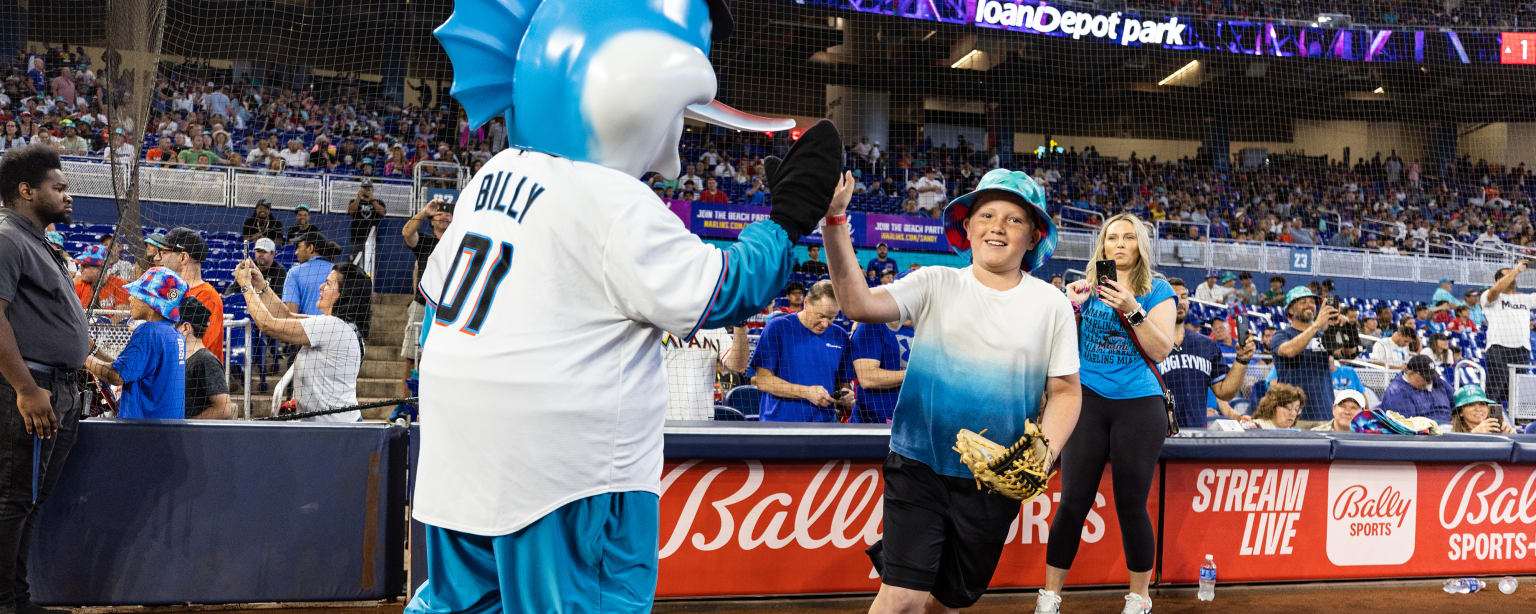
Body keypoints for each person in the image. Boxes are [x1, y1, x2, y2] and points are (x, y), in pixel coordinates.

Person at [407, 5, 841, 602]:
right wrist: (789, 217)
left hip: (456, 455)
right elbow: (727, 288)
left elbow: (434, 295)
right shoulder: (612, 200)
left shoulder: (494, 171)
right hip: (561, 475)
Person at [821, 168, 1080, 613]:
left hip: (995, 482)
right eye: (987, 215)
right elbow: (857, 304)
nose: (997, 226)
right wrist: (834, 221)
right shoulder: (935, 282)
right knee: (902, 595)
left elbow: (1066, 392)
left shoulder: (1051, 304)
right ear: (968, 226)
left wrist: (1045, 452)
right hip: (919, 464)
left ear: (1034, 235)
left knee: (946, 603)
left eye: (1014, 219)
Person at [1045, 212, 1172, 614]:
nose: (1119, 244)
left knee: (1131, 504)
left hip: (1139, 402)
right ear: (1101, 245)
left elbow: (1161, 349)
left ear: (1140, 246)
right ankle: (1049, 598)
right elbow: (1059, 347)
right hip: (1087, 399)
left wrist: (1133, 307)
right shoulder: (1083, 288)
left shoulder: (1158, 289)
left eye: (1128, 237)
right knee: (1072, 502)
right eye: (1112, 237)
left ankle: (1139, 598)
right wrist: (1073, 307)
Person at [0, 145, 89, 613]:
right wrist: (25, 388)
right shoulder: (7, 238)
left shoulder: (35, 239)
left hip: (59, 388)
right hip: (33, 389)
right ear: (26, 191)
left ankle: (18, 599)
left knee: (29, 500)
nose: (68, 196)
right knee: (13, 499)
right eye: (60, 188)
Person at [236, 260, 372, 422]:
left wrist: (245, 286)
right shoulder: (341, 325)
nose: (321, 287)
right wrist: (260, 284)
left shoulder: (332, 326)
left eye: (328, 284)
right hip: (339, 423)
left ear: (343, 294)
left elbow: (268, 325)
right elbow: (285, 316)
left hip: (335, 429)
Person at [83, 267, 188, 419]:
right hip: (165, 431)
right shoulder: (173, 334)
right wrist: (93, 350)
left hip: (142, 432)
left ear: (151, 301)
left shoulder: (148, 331)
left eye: (137, 294)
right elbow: (128, 368)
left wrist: (81, 356)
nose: (130, 298)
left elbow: (115, 375)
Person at [748, 280, 855, 422]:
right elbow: (763, 381)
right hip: (779, 425)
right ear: (806, 303)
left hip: (824, 426)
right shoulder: (778, 328)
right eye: (821, 316)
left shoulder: (840, 336)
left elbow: (843, 382)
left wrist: (846, 395)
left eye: (831, 317)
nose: (825, 324)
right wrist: (806, 392)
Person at [1160, 278, 1254, 429]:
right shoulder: (1149, 343)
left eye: (1184, 297)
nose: (1180, 301)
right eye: (1173, 297)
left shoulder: (1207, 345)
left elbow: (1225, 392)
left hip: (1198, 435)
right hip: (1160, 435)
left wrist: (1242, 360)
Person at [400, 198, 452, 395]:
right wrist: (424, 212)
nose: (444, 216)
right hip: (423, 304)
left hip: (450, 309)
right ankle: (405, 404)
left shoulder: (459, 244)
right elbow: (407, 233)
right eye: (439, 213)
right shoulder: (425, 241)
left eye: (448, 214)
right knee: (411, 356)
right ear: (432, 220)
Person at [1268, 286, 1337, 429]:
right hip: (1292, 415)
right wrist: (1317, 325)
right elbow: (1290, 351)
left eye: (1312, 301)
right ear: (1291, 310)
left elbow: (1348, 352)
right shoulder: (1281, 336)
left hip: (1324, 413)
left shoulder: (1325, 337)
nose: (1309, 305)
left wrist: (1343, 327)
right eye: (1303, 302)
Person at [157, 227, 224, 360]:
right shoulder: (172, 292)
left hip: (195, 376)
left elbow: (202, 347)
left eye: (164, 252)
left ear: (183, 257)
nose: (158, 257)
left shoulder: (207, 296)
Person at [661, 325, 748, 420]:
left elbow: (739, 366)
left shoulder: (715, 326)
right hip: (661, 417)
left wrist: (740, 324)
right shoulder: (656, 321)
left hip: (702, 417)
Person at [1481, 261, 1535, 405]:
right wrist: (1516, 270)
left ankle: (1516, 423)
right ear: (1499, 280)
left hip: (1522, 350)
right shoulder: (1489, 295)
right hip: (1498, 348)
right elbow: (1493, 293)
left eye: (1514, 276)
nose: (1513, 279)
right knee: (1495, 388)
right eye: (1509, 276)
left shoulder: (1526, 298)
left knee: (1517, 391)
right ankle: (1489, 420)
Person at [848, 313, 912, 424]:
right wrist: (915, 374)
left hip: (912, 423)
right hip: (873, 423)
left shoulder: (927, 331)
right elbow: (867, 378)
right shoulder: (872, 325)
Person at [178, 297, 230, 419]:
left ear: (186, 327)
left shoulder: (206, 360)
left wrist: (188, 426)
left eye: (173, 325)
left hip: (195, 436)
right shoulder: (180, 358)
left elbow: (224, 409)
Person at [1380, 354, 1454, 424]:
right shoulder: (1396, 393)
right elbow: (1410, 428)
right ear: (1410, 373)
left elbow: (1456, 400)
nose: (1430, 381)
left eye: (1432, 377)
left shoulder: (1436, 382)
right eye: (1426, 378)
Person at [282, 231, 335, 315]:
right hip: (336, 326)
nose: (296, 252)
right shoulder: (337, 271)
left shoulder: (294, 272)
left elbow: (291, 314)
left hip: (306, 327)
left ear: (310, 248)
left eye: (299, 247)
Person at [72, 244, 128, 310]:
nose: (81, 270)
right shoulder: (77, 286)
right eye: (81, 266)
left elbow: (120, 316)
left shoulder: (120, 284)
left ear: (100, 268)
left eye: (85, 266)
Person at [1450, 385, 1514, 434]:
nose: (1478, 409)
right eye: (1471, 405)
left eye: (1482, 404)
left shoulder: (1496, 429)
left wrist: (1510, 436)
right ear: (1460, 412)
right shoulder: (1450, 433)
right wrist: (1474, 434)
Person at [347, 180, 386, 257]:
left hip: (373, 239)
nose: (366, 190)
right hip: (357, 239)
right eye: (364, 188)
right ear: (360, 189)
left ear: (373, 189)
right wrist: (358, 197)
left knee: (373, 264)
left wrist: (372, 199)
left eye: (368, 188)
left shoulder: (379, 202)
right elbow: (350, 211)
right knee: (354, 263)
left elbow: (382, 213)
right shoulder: (354, 201)